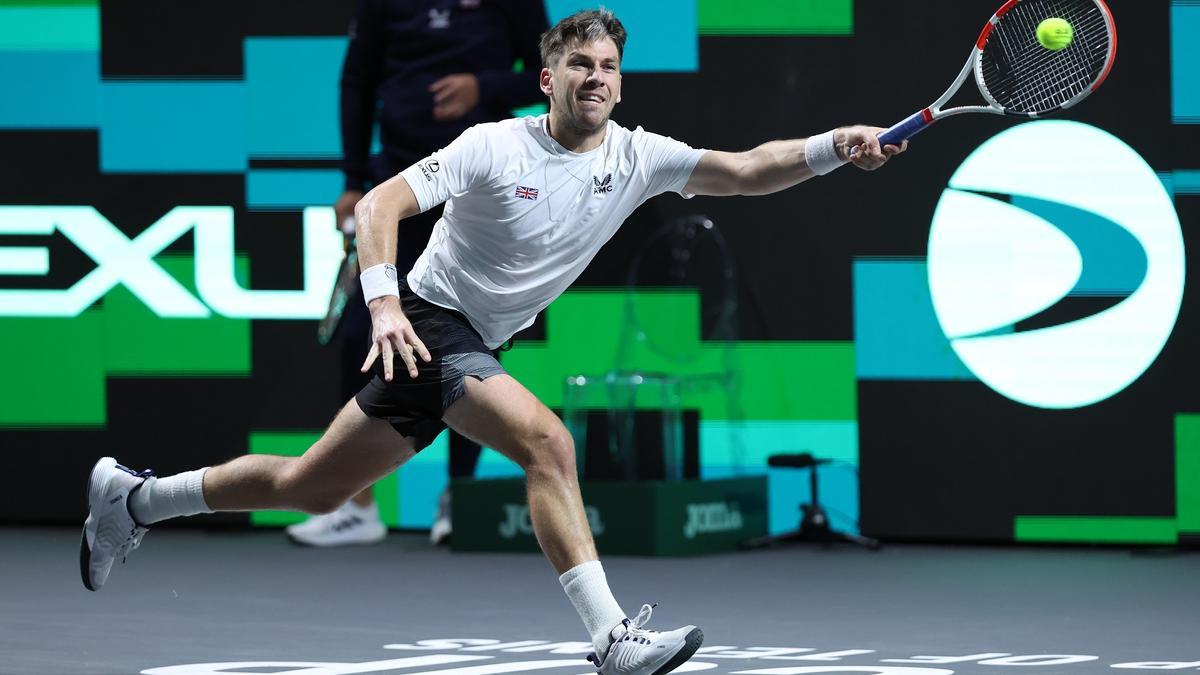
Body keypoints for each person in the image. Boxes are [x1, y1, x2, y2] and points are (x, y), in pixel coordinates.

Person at [79, 9, 904, 674]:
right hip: (430, 322)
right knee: (548, 441)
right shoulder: (491, 145)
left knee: (310, 486)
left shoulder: (639, 156)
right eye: (581, 64)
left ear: (621, 83)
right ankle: (612, 637)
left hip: (468, 342)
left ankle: (135, 498)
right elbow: (378, 208)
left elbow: (751, 168)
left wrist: (837, 146)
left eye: (609, 66)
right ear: (548, 78)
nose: (597, 78)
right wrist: (385, 303)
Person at [287, 0, 550, 547]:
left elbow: (546, 73)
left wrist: (485, 86)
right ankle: (355, 504)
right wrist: (355, 178)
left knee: (470, 341)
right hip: (397, 182)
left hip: (479, 188)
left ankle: (459, 495)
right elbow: (357, 80)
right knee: (361, 334)